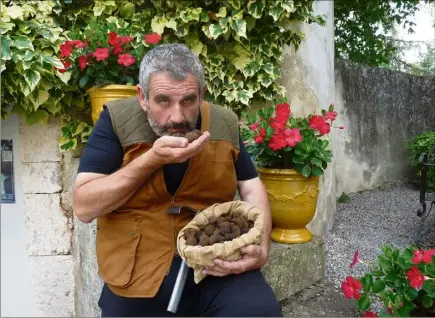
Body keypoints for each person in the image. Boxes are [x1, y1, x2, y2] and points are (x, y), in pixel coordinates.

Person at [73, 43, 281, 317]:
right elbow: (84, 206)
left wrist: (262, 249)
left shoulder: (223, 122)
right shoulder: (116, 121)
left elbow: (251, 185)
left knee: (260, 312)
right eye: (163, 101)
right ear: (142, 97)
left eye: (188, 100)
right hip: (136, 270)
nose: (177, 117)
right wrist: (152, 159)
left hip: (214, 260)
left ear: (201, 94)